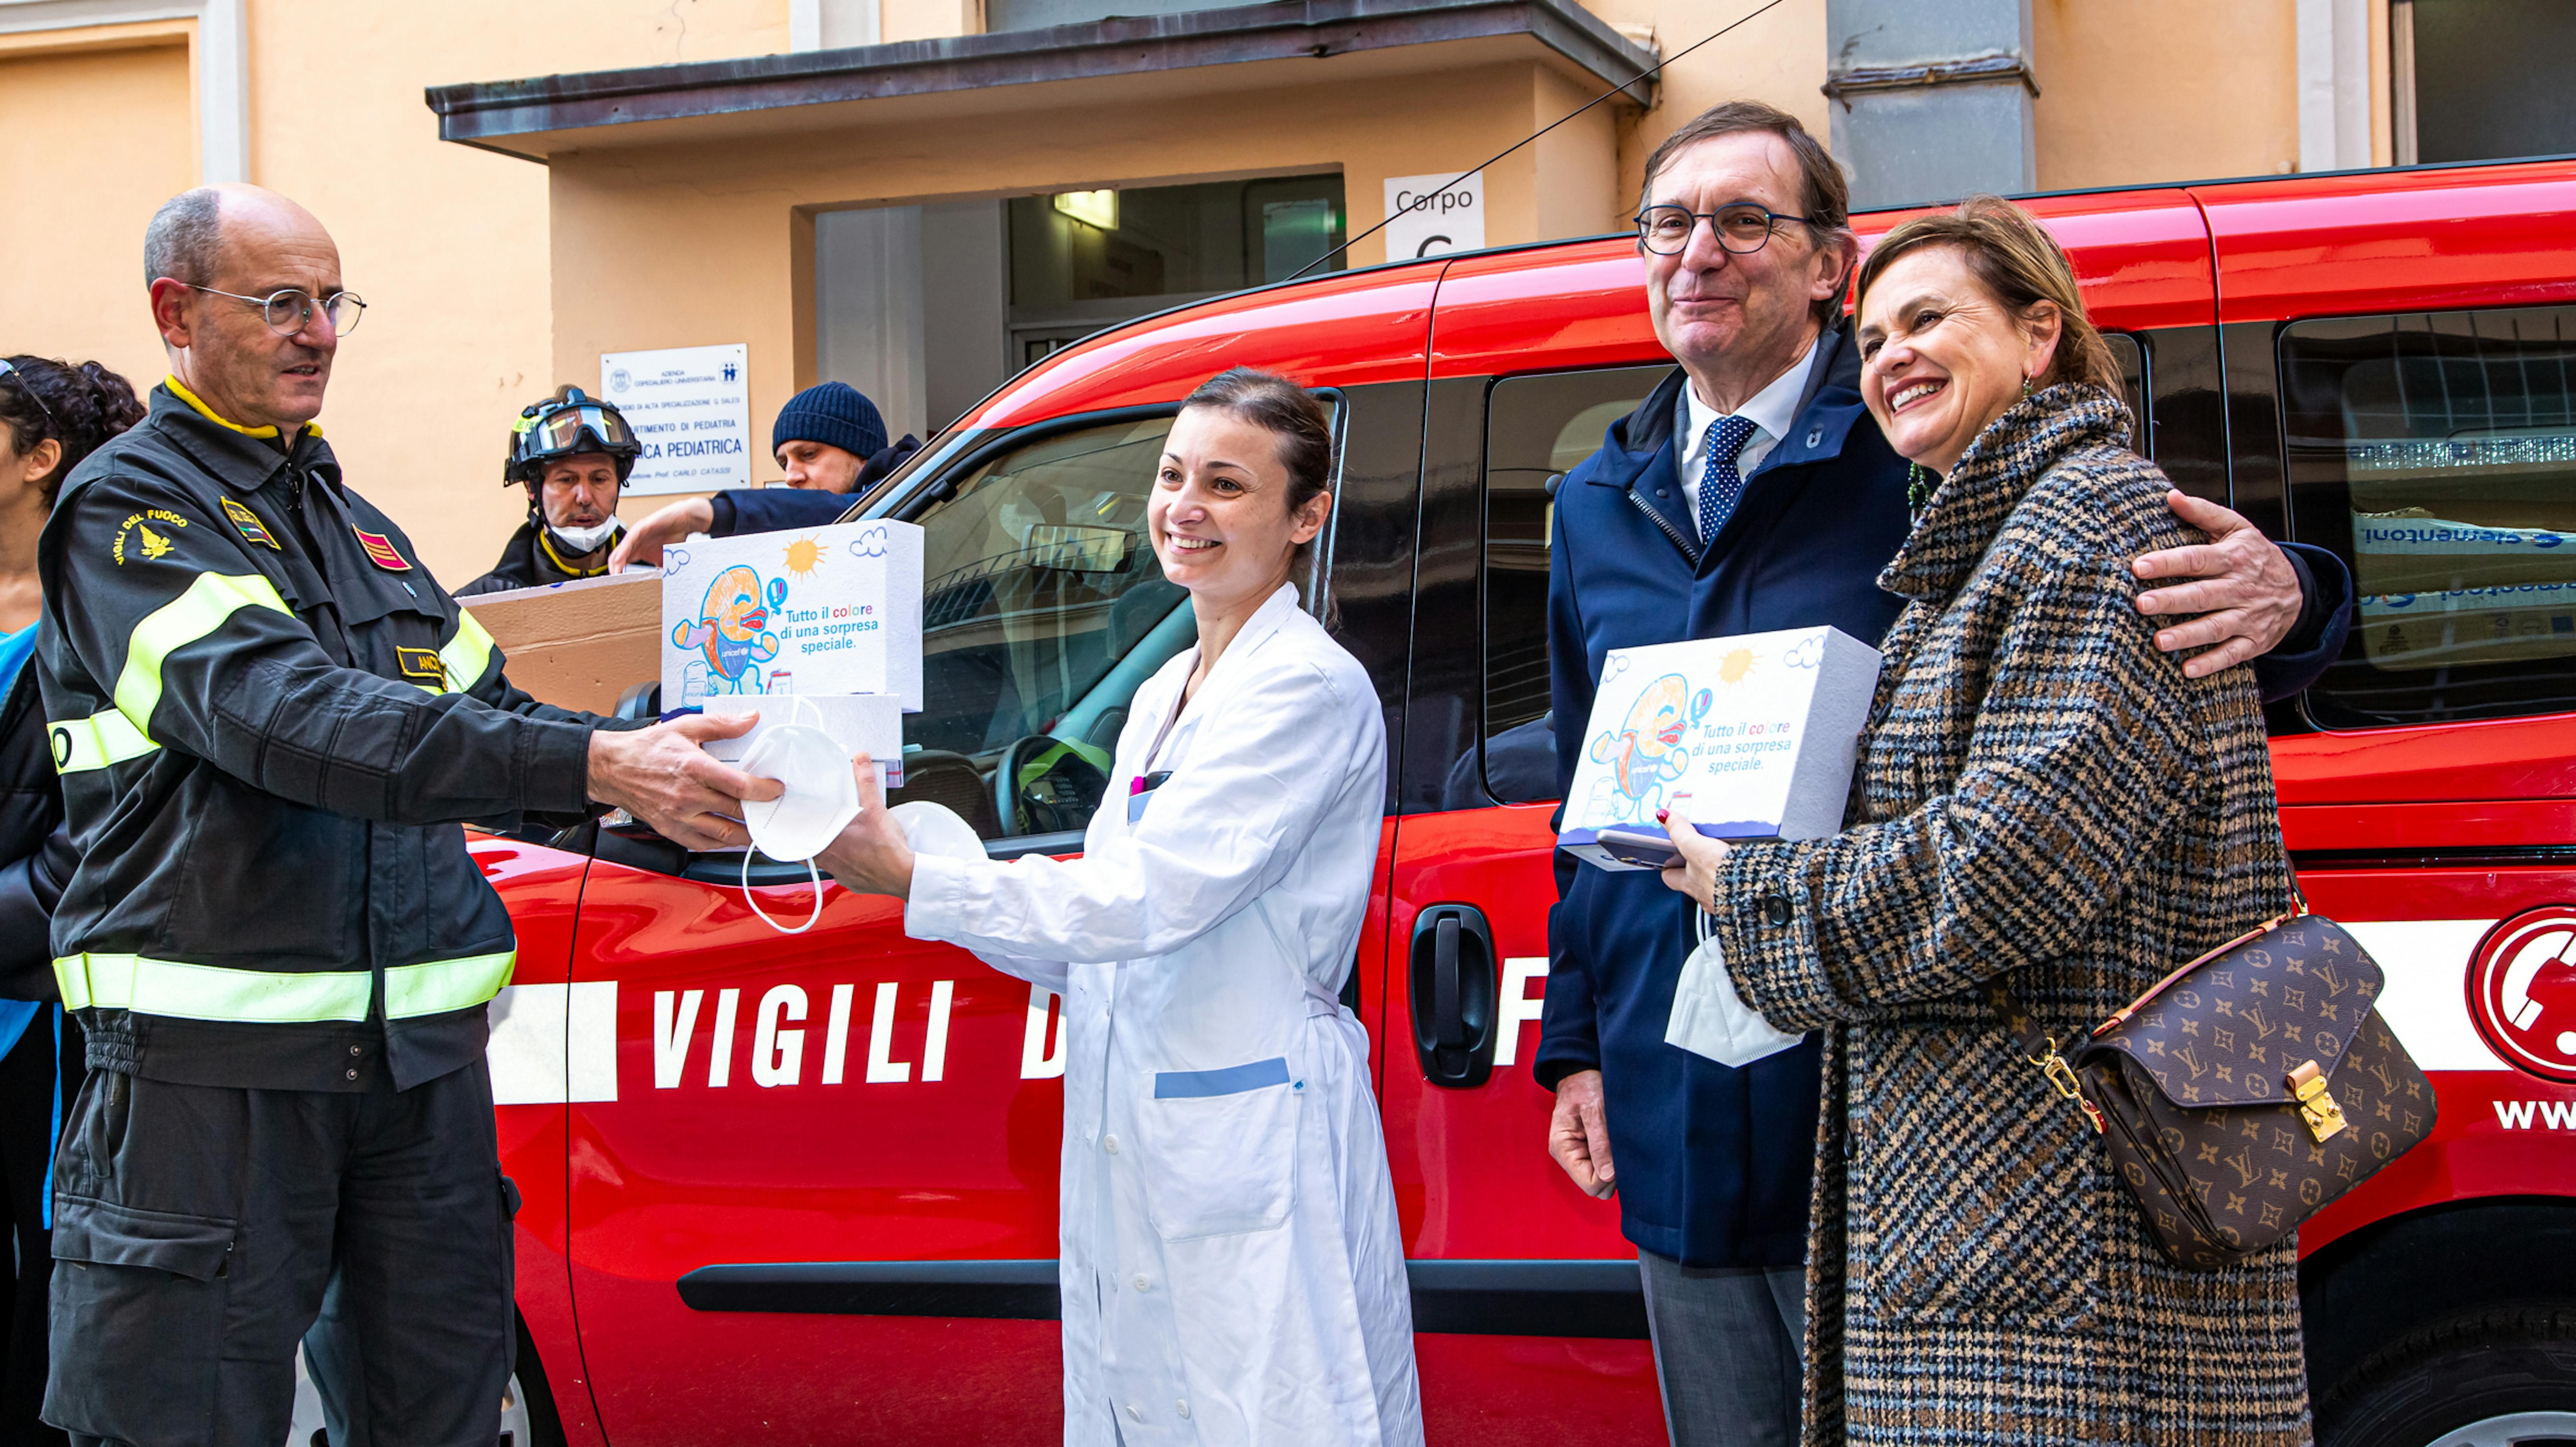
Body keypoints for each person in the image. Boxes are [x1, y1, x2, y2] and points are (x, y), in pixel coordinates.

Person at [1536, 101, 2353, 1446]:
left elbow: (2142, 616)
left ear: (1823, 265)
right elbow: (1584, 786)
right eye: (1670, 224)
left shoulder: (1926, 452)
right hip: (1674, 1065)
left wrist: (2297, 589)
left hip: (1891, 1072)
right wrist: (1576, 1045)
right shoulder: (1595, 496)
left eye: (1746, 221)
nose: (1701, 253)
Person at [33, 183, 779, 1447]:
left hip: (417, 1074)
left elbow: (498, 719)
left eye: (331, 302)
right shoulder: (125, 512)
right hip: (209, 1081)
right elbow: (282, 719)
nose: (317, 330)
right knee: (180, 1422)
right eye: (279, 302)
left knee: (437, 1417)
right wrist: (607, 763)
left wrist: (697, 788)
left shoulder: (360, 529)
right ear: (175, 311)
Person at [813, 367, 1422, 1446]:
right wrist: (925, 863)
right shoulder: (1163, 687)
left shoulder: (1304, 688)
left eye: (1227, 485)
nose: (1183, 509)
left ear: (1305, 516)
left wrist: (917, 874)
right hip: (1139, 1124)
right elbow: (1099, 939)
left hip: (1248, 1124)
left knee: (1272, 1407)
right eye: (1172, 474)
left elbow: (1146, 899)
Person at [0, 354, 144, 1447]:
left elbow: (96, 852)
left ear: (41, 459)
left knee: (42, 1298)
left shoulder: (89, 617)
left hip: (44, 1021)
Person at [608, 379, 923, 570]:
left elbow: (852, 510)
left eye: (809, 455)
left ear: (863, 454)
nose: (791, 476)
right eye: (784, 462)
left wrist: (704, 514)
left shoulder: (914, 492)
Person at [457, 385, 643, 595]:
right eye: (566, 480)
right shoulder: (482, 602)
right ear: (532, 488)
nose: (585, 498)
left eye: (599, 479)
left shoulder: (660, 579)